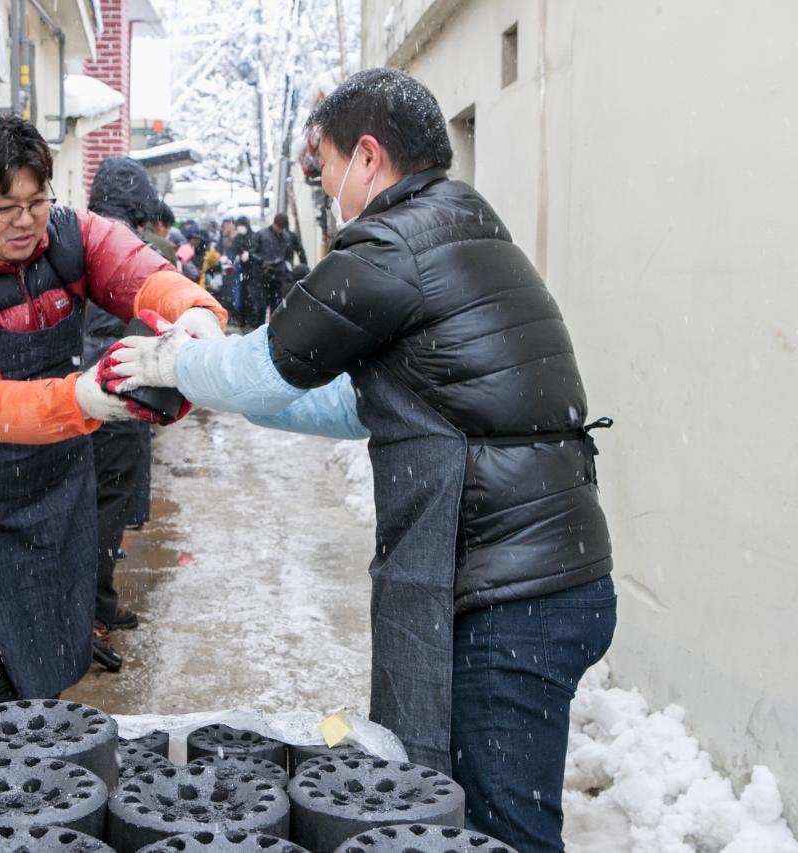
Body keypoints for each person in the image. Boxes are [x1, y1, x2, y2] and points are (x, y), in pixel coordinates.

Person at [108, 69, 615, 853]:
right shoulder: (464, 230)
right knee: (466, 806)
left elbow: (270, 362)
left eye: (328, 165)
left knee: (496, 827)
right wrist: (221, 390)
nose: (327, 189)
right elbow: (360, 402)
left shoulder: (394, 242)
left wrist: (178, 363)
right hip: (549, 575)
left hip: (511, 594)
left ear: (368, 158)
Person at [0, 116, 226, 703]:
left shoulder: (66, 235)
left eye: (36, 199)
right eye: (4, 205)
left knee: (55, 619)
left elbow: (135, 269)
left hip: (48, 463)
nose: (25, 220)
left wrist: (191, 311)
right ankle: (1, 770)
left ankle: (40, 732)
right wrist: (80, 397)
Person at [82, 157, 197, 671]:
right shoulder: (128, 251)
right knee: (104, 508)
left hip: (78, 392)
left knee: (93, 505)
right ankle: (88, 618)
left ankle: (98, 606)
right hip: (115, 394)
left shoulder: (80, 240)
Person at [251, 213, 307, 320]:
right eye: (279, 228)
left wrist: (289, 266)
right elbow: (252, 253)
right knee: (261, 306)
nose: (280, 231)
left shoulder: (286, 237)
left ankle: (273, 329)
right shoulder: (261, 235)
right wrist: (261, 261)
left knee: (276, 305)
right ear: (274, 224)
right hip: (262, 275)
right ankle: (259, 327)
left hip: (279, 275)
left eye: (282, 229)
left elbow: (289, 254)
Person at [229, 216, 256, 328]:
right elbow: (233, 251)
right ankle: (242, 320)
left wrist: (249, 254)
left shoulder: (254, 236)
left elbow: (256, 249)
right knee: (241, 295)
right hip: (240, 270)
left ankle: (250, 320)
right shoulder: (238, 238)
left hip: (252, 271)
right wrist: (232, 258)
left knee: (250, 296)